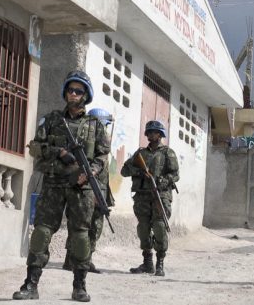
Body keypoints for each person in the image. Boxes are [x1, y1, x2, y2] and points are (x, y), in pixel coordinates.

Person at [13, 70, 110, 302]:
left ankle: (79, 286)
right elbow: (35, 147)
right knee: (42, 231)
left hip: (81, 188)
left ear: (86, 95)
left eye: (78, 90)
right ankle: (30, 284)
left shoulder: (95, 125)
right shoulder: (52, 120)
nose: (73, 94)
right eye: (70, 89)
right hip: (54, 183)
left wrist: (89, 174)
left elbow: (102, 157)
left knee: (80, 235)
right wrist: (60, 152)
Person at [120, 120, 179, 277]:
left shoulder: (168, 153)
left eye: (155, 132)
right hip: (142, 196)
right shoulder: (140, 154)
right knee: (143, 229)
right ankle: (147, 263)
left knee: (160, 227)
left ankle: (160, 262)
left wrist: (162, 181)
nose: (151, 134)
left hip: (161, 195)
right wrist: (139, 172)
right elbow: (124, 170)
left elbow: (175, 175)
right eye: (149, 132)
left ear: (160, 135)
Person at [63, 107, 115, 274]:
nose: (105, 130)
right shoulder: (85, 143)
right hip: (86, 189)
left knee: (92, 225)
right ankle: (75, 259)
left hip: (100, 190)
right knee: (82, 225)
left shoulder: (101, 144)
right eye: (103, 125)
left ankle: (82, 258)